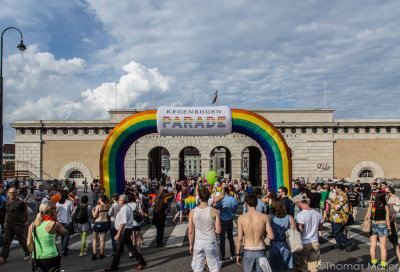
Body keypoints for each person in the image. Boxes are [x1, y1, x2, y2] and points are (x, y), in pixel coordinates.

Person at [105, 195, 146, 271]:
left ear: (122, 201)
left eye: (119, 200)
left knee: (119, 250)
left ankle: (114, 266)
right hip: (126, 230)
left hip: (124, 230)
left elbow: (123, 222)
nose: (118, 201)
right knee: (129, 248)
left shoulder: (124, 209)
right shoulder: (126, 208)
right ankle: (141, 262)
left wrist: (118, 233)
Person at [236, 194, 274, 271]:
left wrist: (237, 254)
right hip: (260, 250)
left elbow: (240, 239)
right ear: (256, 203)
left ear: (246, 204)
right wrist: (264, 234)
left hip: (248, 250)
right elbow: (271, 236)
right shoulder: (264, 217)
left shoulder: (241, 218)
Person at [188, 187, 222, 272]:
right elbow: (218, 231)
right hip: (210, 241)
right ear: (209, 197)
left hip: (198, 242)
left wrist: (191, 244)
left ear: (199, 197)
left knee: (198, 268)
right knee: (214, 267)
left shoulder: (192, 212)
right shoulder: (214, 211)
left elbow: (190, 231)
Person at [27, 201, 66, 271]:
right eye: (55, 208)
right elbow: (64, 232)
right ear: (51, 210)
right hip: (51, 256)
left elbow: (29, 243)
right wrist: (55, 218)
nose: (56, 210)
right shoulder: (54, 224)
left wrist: (32, 255)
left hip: (37, 257)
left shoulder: (33, 225)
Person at [292, 194, 323, 272]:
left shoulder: (300, 215)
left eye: (296, 204)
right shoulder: (317, 214)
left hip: (304, 242)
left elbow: (301, 230)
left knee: (299, 267)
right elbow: (320, 227)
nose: (296, 206)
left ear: (299, 203)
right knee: (313, 268)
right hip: (315, 241)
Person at [0, 187, 31, 265]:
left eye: (14, 192)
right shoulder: (7, 202)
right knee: (6, 241)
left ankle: (28, 254)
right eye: (10, 192)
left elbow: (26, 212)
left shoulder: (20, 203)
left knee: (22, 240)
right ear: (8, 193)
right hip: (9, 225)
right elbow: (7, 212)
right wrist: (5, 222)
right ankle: (3, 257)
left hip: (18, 225)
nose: (12, 194)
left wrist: (26, 221)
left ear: (17, 193)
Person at [364, 191, 391, 267]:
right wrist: (389, 228)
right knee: (383, 247)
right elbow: (387, 219)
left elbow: (367, 216)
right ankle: (383, 264)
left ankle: (373, 262)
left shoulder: (372, 205)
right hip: (382, 225)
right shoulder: (385, 206)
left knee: (373, 245)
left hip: (373, 225)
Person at [268, 198, 295, 272]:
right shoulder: (289, 217)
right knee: (287, 267)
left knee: (274, 267)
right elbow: (294, 230)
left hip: (274, 244)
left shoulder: (270, 217)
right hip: (286, 244)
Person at [326, 184, 354, 252]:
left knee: (337, 232)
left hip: (340, 217)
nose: (335, 189)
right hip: (335, 217)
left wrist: (330, 203)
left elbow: (337, 207)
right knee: (336, 231)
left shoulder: (342, 196)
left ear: (339, 188)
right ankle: (338, 244)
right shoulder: (339, 195)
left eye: (335, 188)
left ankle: (348, 242)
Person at [214, 185, 238, 263]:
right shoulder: (234, 199)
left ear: (224, 192)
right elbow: (235, 209)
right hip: (230, 220)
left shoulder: (222, 199)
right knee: (231, 238)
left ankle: (223, 258)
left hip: (223, 220)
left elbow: (216, 206)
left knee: (222, 240)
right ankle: (233, 254)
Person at [56, 190, 74, 256]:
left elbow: (56, 212)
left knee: (63, 235)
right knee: (67, 235)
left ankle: (64, 247)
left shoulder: (58, 203)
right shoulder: (69, 202)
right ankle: (63, 249)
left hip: (60, 221)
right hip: (67, 220)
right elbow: (72, 211)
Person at [92, 195, 109, 259]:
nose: (98, 199)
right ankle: (101, 254)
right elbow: (107, 215)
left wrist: (92, 211)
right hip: (105, 222)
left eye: (99, 198)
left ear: (101, 199)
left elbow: (95, 216)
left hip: (98, 222)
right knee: (102, 240)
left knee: (95, 239)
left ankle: (94, 254)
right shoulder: (107, 207)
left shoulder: (98, 206)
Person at [387, 187, 400, 263]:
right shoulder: (388, 198)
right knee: (395, 243)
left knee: (380, 245)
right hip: (388, 224)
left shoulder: (395, 197)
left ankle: (381, 262)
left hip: (379, 225)